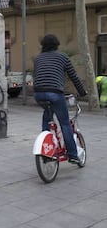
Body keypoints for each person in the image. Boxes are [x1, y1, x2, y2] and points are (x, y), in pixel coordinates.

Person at [33, 34, 87, 164]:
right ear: (57, 45)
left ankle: (46, 150)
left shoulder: (38, 58)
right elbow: (73, 76)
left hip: (38, 94)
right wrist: (82, 92)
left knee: (47, 116)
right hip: (55, 93)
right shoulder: (63, 57)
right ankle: (73, 155)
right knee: (64, 123)